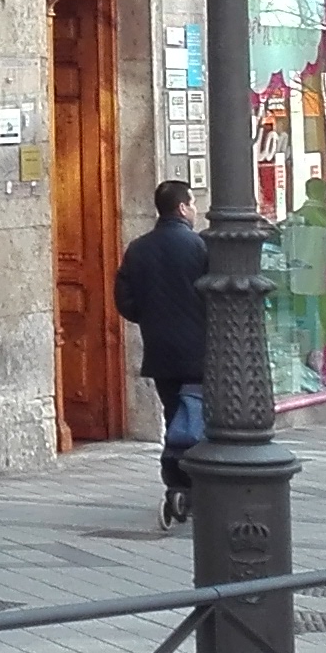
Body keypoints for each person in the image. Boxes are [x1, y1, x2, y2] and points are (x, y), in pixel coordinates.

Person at [111, 180, 209, 528]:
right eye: (192, 203)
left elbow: (124, 300)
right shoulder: (199, 247)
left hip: (160, 350)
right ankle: (193, 485)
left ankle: (177, 483)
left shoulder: (138, 249)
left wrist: (151, 317)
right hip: (199, 350)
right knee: (196, 417)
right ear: (182, 207)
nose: (194, 209)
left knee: (175, 415)